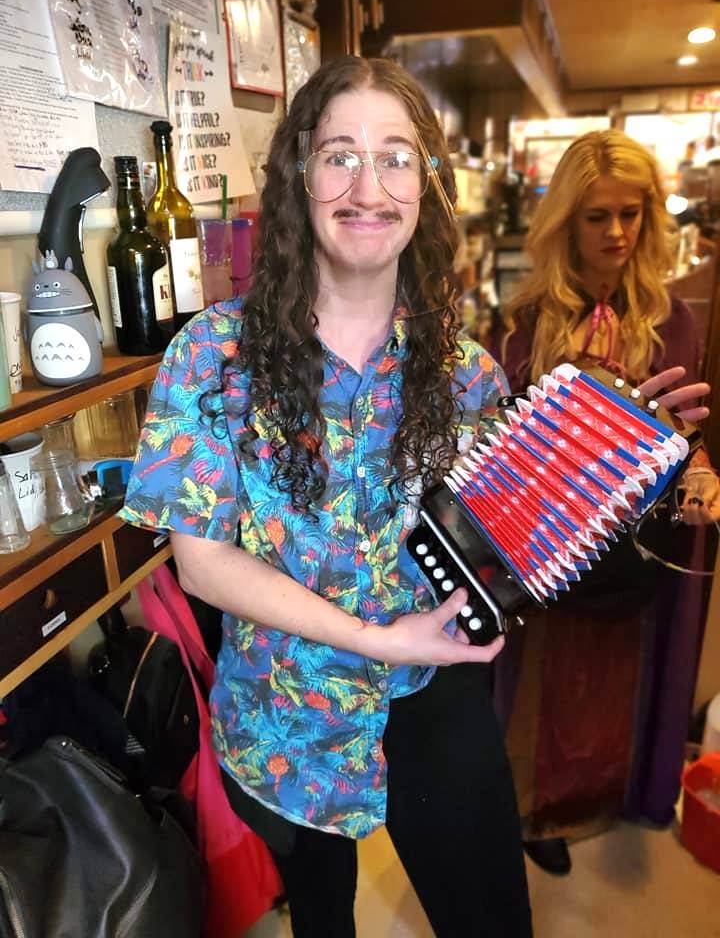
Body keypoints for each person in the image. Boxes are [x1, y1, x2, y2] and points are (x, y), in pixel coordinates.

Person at [119, 56, 534, 937]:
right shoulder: (211, 355)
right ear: (300, 175)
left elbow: (500, 543)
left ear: (425, 186)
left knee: (490, 918)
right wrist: (371, 636)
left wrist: (623, 458)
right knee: (320, 918)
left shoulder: (468, 374)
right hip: (282, 714)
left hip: (431, 692)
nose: (367, 185)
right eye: (339, 154)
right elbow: (201, 563)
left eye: (395, 157)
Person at [488, 129, 720, 876]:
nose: (617, 232)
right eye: (596, 216)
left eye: (631, 213)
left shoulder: (675, 317)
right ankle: (536, 810)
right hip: (554, 544)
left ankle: (606, 794)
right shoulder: (526, 323)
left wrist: (700, 473)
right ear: (566, 221)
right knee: (546, 681)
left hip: (640, 545)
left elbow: (689, 440)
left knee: (619, 674)